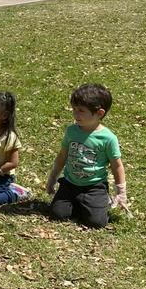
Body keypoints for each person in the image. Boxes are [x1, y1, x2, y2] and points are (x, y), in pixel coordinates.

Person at [46, 83, 128, 228]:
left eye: (81, 111)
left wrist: (121, 191)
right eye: (74, 109)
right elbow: (62, 156)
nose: (76, 114)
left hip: (94, 186)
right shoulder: (71, 131)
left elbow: (117, 166)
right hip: (70, 183)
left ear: (99, 113)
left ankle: (100, 201)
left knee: (96, 223)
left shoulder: (108, 138)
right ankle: (78, 202)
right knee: (57, 214)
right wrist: (52, 178)